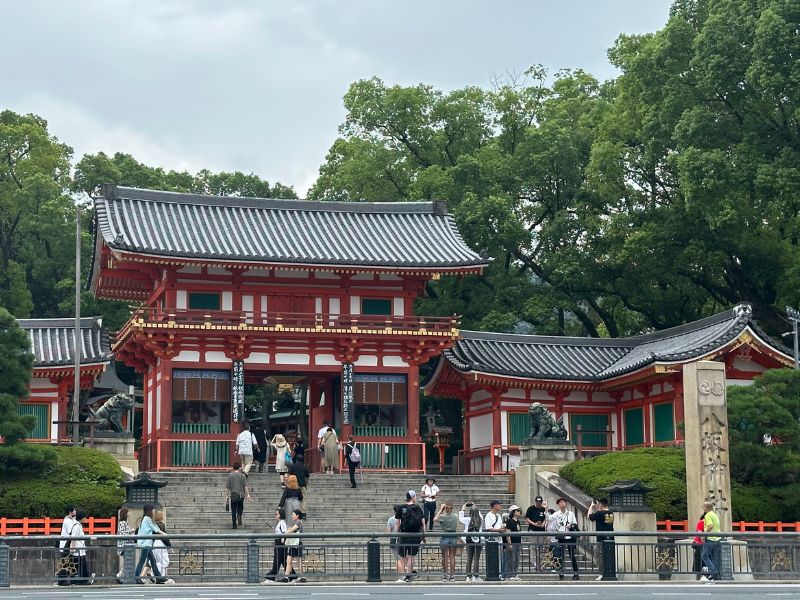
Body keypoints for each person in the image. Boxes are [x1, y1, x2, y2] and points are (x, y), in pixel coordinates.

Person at [394, 490, 425, 583]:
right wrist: (424, 535)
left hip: (403, 534)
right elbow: (423, 523)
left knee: (402, 556)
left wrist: (397, 533)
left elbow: (397, 522)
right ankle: (408, 576)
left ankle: (403, 576)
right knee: (411, 556)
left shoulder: (401, 507)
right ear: (413, 497)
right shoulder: (418, 508)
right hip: (415, 535)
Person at [134, 504, 168, 584]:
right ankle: (136, 578)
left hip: (146, 543)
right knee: (142, 561)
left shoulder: (145, 519)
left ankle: (158, 577)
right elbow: (155, 528)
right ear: (149, 511)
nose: (154, 511)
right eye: (152, 509)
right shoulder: (147, 519)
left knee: (153, 560)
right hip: (145, 543)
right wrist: (164, 534)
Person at [547, 497, 579, 580]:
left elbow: (575, 524)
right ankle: (561, 572)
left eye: (564, 502)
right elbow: (549, 518)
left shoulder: (570, 513)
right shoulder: (556, 514)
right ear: (558, 504)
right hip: (561, 536)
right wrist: (545, 509)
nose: (563, 503)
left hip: (569, 536)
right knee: (560, 555)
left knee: (572, 555)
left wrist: (570, 525)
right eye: (561, 502)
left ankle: (576, 573)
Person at [588, 497, 614, 581]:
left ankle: (601, 573)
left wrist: (591, 506)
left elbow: (589, 516)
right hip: (610, 537)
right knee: (609, 556)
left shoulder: (599, 513)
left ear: (600, 504)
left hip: (601, 538)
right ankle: (610, 573)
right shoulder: (611, 513)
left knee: (600, 556)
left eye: (598, 504)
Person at [261, 508, 289, 584]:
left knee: (277, 560)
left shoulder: (282, 523)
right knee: (283, 561)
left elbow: (284, 532)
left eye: (277, 514)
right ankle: (293, 575)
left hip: (280, 542)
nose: (275, 515)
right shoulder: (280, 523)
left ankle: (271, 576)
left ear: (280, 515)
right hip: (279, 542)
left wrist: (282, 539)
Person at [434, 501, 458, 582]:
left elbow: (434, 519)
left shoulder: (442, 516)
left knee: (444, 557)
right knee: (452, 557)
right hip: (453, 537)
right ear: (452, 508)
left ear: (445, 508)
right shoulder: (455, 516)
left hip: (444, 536)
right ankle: (452, 576)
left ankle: (445, 576)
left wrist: (440, 510)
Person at [70, 510, 95, 585]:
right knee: (80, 566)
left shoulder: (79, 525)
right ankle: (82, 581)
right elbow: (73, 537)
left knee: (79, 566)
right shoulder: (77, 526)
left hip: (80, 549)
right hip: (78, 550)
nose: (86, 519)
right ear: (81, 518)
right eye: (85, 517)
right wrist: (72, 548)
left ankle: (79, 580)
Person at [282, 509, 306, 583]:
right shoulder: (296, 522)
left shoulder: (298, 522)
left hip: (296, 544)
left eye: (293, 514)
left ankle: (301, 576)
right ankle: (286, 577)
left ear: (297, 516)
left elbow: (293, 529)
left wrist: (285, 534)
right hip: (294, 544)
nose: (292, 516)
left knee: (297, 561)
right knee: (289, 561)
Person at [483, 500, 505, 579]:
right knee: (492, 556)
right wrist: (498, 530)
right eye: (499, 505)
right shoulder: (488, 515)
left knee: (500, 557)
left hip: (499, 538)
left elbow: (500, 526)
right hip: (492, 539)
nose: (500, 506)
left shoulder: (499, 516)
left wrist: (502, 529)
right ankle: (491, 573)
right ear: (494, 506)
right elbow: (488, 528)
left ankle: (499, 573)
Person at [57, 505, 78, 586]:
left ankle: (64, 580)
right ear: (70, 512)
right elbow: (71, 531)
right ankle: (62, 581)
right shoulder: (68, 521)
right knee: (65, 563)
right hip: (66, 545)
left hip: (64, 545)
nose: (75, 512)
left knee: (66, 563)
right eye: (74, 510)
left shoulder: (67, 520)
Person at [700, 501, 721, 583]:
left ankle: (713, 572)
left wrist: (704, 535)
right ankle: (716, 573)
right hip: (717, 538)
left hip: (710, 538)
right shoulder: (715, 515)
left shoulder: (708, 515)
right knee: (712, 556)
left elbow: (710, 525)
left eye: (703, 507)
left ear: (705, 508)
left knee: (704, 555)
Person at [226, 461, 251, 529]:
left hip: (233, 495)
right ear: (239, 468)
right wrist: (248, 494)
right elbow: (245, 486)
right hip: (241, 495)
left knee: (233, 510)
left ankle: (234, 524)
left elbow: (227, 487)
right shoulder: (242, 475)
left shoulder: (230, 475)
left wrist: (227, 496)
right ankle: (239, 514)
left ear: (233, 468)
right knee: (240, 507)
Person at [525, 495, 547, 571]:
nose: (539, 503)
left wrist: (543, 524)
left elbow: (546, 518)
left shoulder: (543, 509)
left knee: (541, 546)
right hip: (532, 529)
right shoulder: (530, 508)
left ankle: (541, 561)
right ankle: (534, 562)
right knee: (533, 546)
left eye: (540, 502)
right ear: (535, 501)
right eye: (537, 502)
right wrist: (533, 523)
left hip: (541, 530)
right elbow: (527, 518)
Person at [463, 504, 484, 582]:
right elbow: (480, 515)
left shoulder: (467, 519)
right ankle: (476, 576)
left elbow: (460, 518)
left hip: (469, 540)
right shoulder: (480, 519)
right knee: (476, 559)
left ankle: (468, 576)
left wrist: (463, 508)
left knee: (469, 559)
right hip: (478, 540)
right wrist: (475, 505)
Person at [150, 510, 173, 583]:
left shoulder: (153, 525)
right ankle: (160, 577)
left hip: (154, 543)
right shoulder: (161, 525)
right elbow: (165, 537)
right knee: (163, 561)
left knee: (157, 560)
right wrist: (169, 546)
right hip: (160, 543)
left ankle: (155, 576)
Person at [502, 505, 522, 581]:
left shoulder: (518, 521)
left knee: (516, 559)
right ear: (513, 512)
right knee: (510, 559)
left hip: (517, 542)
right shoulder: (509, 521)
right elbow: (508, 533)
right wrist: (509, 543)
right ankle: (510, 574)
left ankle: (515, 573)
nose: (519, 512)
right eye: (517, 510)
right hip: (512, 542)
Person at [116, 506, 133, 583]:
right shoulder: (122, 523)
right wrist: (131, 531)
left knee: (127, 561)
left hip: (126, 544)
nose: (130, 513)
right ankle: (120, 575)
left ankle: (121, 575)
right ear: (125, 514)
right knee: (127, 561)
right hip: (124, 545)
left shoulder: (124, 522)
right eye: (128, 511)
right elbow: (123, 533)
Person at [387, 505, 404, 578]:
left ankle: (400, 576)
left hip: (394, 540)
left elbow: (388, 532)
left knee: (397, 559)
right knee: (403, 558)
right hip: (403, 539)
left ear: (394, 511)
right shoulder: (404, 518)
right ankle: (405, 575)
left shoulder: (391, 519)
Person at [692, 512, 706, 580]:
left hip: (700, 544)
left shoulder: (701, 522)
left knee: (698, 562)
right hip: (707, 544)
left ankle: (699, 577)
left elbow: (699, 534)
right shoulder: (710, 523)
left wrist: (696, 540)